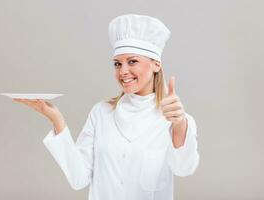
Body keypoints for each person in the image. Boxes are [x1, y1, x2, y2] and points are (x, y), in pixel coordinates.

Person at [13, 14, 200, 200]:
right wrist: (56, 120)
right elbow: (79, 178)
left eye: (132, 61)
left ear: (156, 64)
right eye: (117, 64)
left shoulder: (175, 119)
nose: (123, 71)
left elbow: (184, 169)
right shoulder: (101, 112)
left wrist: (179, 125)